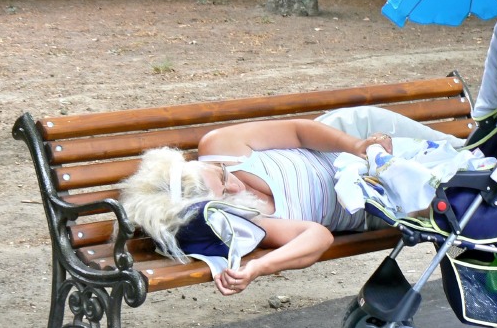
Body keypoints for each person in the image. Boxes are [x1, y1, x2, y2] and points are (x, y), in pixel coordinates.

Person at [120, 118, 395, 296]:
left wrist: (357, 144)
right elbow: (318, 237)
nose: (235, 187)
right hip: (382, 204)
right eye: (223, 196)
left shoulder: (220, 146)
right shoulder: (248, 219)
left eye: (221, 175)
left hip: (357, 148)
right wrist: (258, 267)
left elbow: (298, 132)